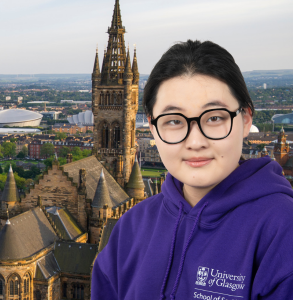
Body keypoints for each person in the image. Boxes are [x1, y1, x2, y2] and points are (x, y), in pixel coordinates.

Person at [91, 40, 293, 299]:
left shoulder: (281, 229)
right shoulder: (130, 228)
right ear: (153, 128)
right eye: (174, 121)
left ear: (245, 120)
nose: (195, 141)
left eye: (215, 118)